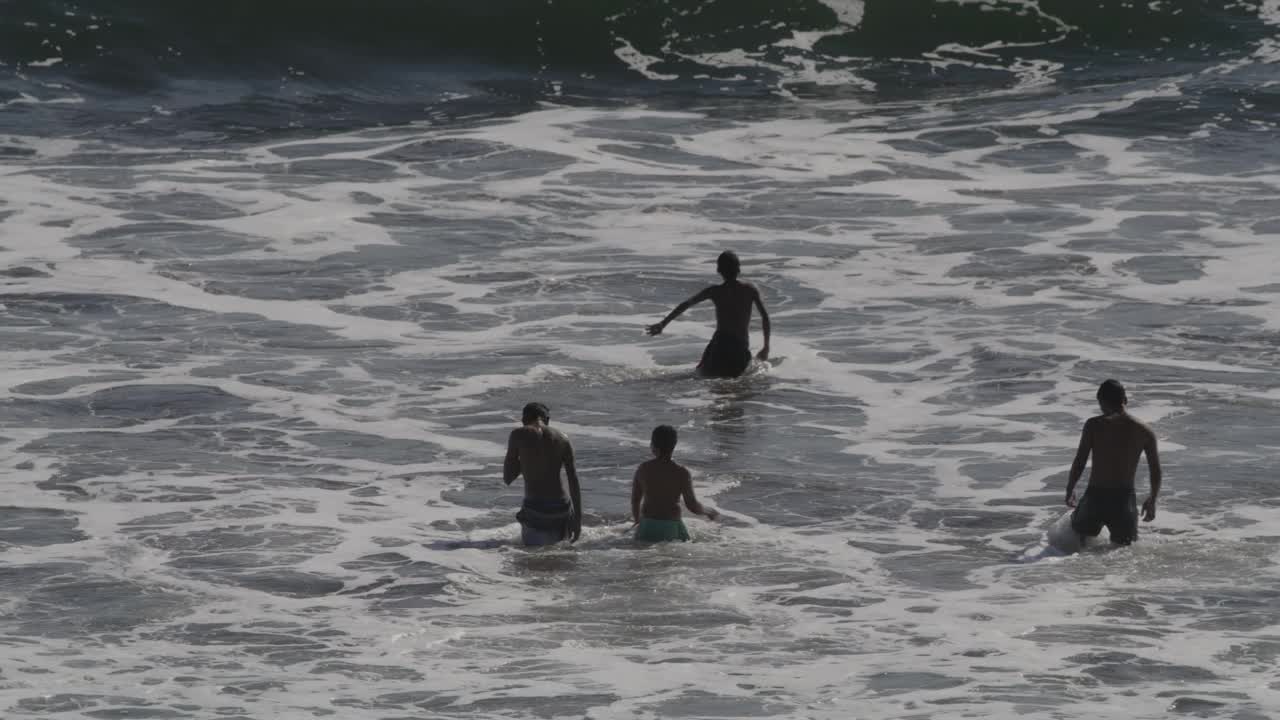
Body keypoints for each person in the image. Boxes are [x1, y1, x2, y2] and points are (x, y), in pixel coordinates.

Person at [1064, 379, 1163, 546]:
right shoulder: (1145, 431)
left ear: (1102, 402)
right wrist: (1152, 499)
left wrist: (1070, 487)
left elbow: (1080, 460)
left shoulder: (1094, 425)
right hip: (1123, 501)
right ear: (1125, 400)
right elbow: (1155, 470)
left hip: (1095, 497)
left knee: (1078, 544)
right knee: (1123, 552)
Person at [647, 250, 772, 378]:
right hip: (739, 348)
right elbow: (765, 317)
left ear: (719, 270)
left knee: (705, 380)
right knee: (737, 385)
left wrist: (663, 323)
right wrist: (766, 347)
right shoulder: (749, 290)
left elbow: (686, 304)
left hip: (718, 347)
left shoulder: (715, 291)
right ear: (738, 268)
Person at [503, 402, 583, 545]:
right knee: (561, 558)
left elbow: (508, 477)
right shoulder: (563, 438)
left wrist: (525, 458)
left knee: (532, 559)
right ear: (547, 419)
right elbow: (574, 481)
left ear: (523, 420)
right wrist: (577, 520)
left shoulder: (518, 435)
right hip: (561, 508)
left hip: (535, 509)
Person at [631, 425, 719, 542]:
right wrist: (708, 511)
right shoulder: (681, 472)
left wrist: (638, 521)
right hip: (670, 525)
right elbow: (692, 505)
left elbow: (635, 499)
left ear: (652, 445)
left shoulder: (643, 469)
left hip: (647, 525)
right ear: (674, 446)